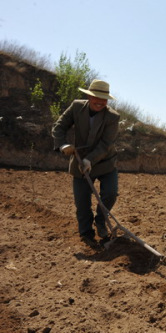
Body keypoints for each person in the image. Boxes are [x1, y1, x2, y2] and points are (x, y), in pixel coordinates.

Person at [52, 79, 120, 247]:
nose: (100, 102)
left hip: (105, 162)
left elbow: (106, 144)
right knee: (82, 202)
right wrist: (63, 144)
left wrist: (91, 159)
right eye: (96, 97)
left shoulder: (112, 117)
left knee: (110, 193)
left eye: (104, 99)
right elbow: (59, 127)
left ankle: (101, 220)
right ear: (89, 96)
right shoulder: (76, 107)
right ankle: (86, 234)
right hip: (80, 161)